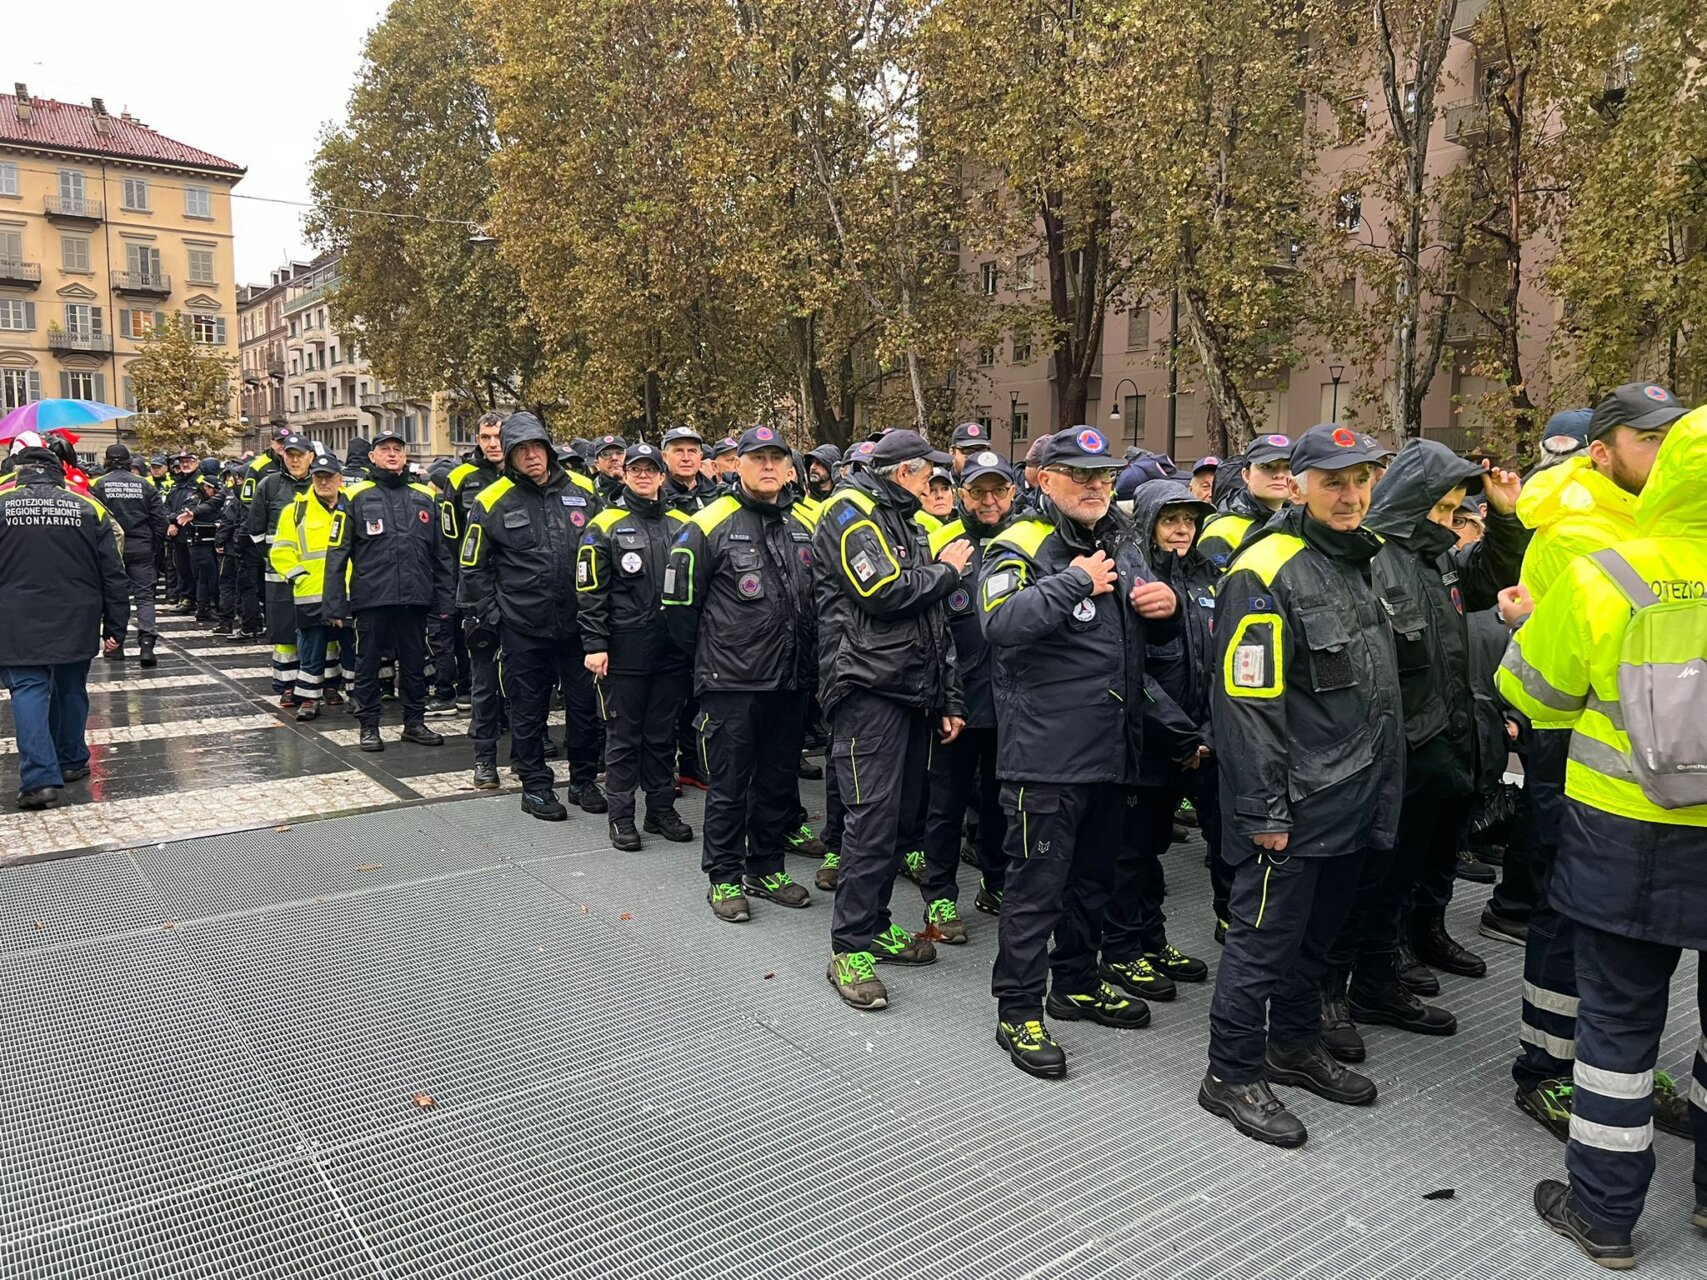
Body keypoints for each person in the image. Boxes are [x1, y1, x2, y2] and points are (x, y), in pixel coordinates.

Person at [1496, 407, 1707, 1271]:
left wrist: (1521, 623)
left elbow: (1533, 694)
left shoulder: (1607, 573)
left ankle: (1604, 1214)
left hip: (1625, 832)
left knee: (1617, 1027)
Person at [1199, 424, 1402, 1147]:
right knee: (1261, 943)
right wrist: (1263, 810)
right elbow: (1245, 703)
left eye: (1359, 480)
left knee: (1315, 943)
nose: (1349, 495)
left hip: (1352, 795)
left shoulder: (1363, 558)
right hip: (1291, 804)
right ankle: (1229, 1071)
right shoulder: (1265, 567)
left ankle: (1290, 1045)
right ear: (1298, 484)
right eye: (1332, 482)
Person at [1314, 439, 1527, 1062]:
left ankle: (1377, 980)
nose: (1448, 521)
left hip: (1438, 747)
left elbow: (1489, 578)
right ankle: (1331, 993)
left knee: (1399, 879)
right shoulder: (1376, 558)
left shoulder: (1435, 561)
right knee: (1362, 884)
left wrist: (1506, 518)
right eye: (1440, 509)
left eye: (1455, 511)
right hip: (1388, 752)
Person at [979, 426, 1179, 1076]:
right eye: (1078, 475)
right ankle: (1017, 1012)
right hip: (1043, 759)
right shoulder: (1021, 543)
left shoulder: (1118, 541)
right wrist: (1070, 583)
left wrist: (1166, 608)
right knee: (1036, 890)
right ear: (1041, 479)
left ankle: (1074, 984)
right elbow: (999, 624)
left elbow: (1143, 639)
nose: (1095, 486)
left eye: (1102, 476)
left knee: (1090, 886)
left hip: (1109, 753)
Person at [813, 429, 970, 1010]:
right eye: (928, 472)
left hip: (909, 688)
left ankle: (875, 923)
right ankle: (849, 947)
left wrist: (948, 696)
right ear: (903, 471)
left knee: (900, 817)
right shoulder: (851, 511)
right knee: (870, 820)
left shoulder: (901, 518)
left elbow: (932, 621)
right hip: (867, 689)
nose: (935, 482)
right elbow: (881, 590)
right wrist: (949, 570)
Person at [663, 426, 817, 926]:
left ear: (790, 469)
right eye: (758, 458)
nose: (769, 467)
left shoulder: (802, 524)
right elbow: (680, 607)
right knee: (729, 785)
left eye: (778, 458)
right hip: (732, 682)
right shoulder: (708, 524)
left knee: (776, 782)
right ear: (737, 465)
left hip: (790, 680)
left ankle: (766, 867)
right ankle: (725, 876)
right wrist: (716, 657)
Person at [1103, 478, 1221, 1000]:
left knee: (1151, 850)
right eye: (1171, 520)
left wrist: (1205, 736)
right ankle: (1122, 949)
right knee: (1130, 851)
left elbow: (1220, 663)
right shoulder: (1133, 573)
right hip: (1147, 740)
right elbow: (1134, 671)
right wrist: (1179, 735)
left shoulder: (1206, 576)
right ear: (1149, 523)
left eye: (1190, 521)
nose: (1182, 531)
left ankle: (1150, 939)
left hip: (1193, 742)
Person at [460, 412, 606, 818]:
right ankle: (536, 785)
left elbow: (601, 553)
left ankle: (583, 780)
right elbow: (472, 567)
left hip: (578, 624)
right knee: (527, 708)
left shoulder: (584, 490)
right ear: (508, 456)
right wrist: (494, 617)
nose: (531, 456)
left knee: (583, 708)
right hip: (522, 626)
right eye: (520, 450)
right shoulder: (490, 501)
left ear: (548, 448)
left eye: (536, 447)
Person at [917, 450, 1015, 940]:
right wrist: (942, 700)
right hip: (955, 705)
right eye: (978, 491)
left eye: (998, 491)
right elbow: (927, 634)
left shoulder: (1025, 546)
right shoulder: (940, 546)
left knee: (1001, 803)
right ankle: (939, 898)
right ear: (962, 496)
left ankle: (995, 883)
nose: (989, 500)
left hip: (1011, 706)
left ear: (1013, 494)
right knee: (946, 806)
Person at [577, 441, 695, 847]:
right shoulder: (604, 524)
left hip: (671, 648)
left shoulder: (682, 523)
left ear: (662, 476)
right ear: (624, 474)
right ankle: (621, 816)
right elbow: (591, 590)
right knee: (624, 737)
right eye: (636, 469)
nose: (643, 475)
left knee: (663, 736)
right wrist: (595, 643)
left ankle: (660, 811)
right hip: (624, 647)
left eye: (651, 469)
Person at [0, 439, 128, 808]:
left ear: (19, 471)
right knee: (71, 686)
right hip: (77, 614)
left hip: (15, 616)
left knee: (28, 689)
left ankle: (39, 779)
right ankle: (71, 759)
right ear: (60, 471)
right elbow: (113, 572)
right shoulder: (88, 507)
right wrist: (116, 625)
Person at [323, 427, 455, 752]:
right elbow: (336, 553)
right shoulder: (354, 496)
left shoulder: (424, 496)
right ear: (372, 456)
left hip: (415, 597)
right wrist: (335, 604)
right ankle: (369, 725)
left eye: (397, 448)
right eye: (384, 449)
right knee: (367, 664)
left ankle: (414, 722)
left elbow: (442, 554)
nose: (392, 453)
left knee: (415, 663)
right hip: (372, 597)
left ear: (405, 455)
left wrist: (446, 600)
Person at [443, 412, 507, 785]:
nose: (492, 443)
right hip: (480, 592)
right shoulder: (459, 478)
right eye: (485, 437)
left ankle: (531, 746)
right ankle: (484, 757)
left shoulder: (525, 478)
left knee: (527, 680)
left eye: (498, 436)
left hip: (523, 593)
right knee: (483, 680)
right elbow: (452, 537)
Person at [270, 453, 348, 721]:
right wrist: (299, 576)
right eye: (319, 477)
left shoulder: (352, 507)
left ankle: (357, 695)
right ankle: (309, 698)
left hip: (348, 592)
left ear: (340, 479)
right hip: (310, 593)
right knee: (311, 651)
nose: (324, 482)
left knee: (352, 648)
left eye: (329, 477)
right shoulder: (296, 510)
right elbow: (280, 551)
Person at [249, 434, 316, 708]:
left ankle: (323, 683)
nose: (295, 460)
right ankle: (287, 685)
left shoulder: (321, 482)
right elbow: (255, 530)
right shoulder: (270, 485)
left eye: (300, 454)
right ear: (282, 456)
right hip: (280, 577)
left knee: (319, 631)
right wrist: (276, 560)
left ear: (311, 455)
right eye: (290, 455)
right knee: (285, 632)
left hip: (315, 577)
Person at [91, 443, 167, 668]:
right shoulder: (145, 485)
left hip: (110, 549)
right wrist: (154, 547)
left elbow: (93, 520)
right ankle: (146, 644)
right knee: (145, 597)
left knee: (114, 596)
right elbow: (160, 521)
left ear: (106, 461)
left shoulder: (97, 486)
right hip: (141, 547)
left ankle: (116, 644)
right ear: (129, 461)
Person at [1198, 435, 1291, 571]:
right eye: (1267, 466)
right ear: (1246, 475)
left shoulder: (1300, 524)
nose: (1279, 475)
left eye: (1288, 466)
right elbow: (1212, 588)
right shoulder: (1221, 530)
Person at [659, 426, 716, 513]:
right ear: (665, 457)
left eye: (692, 451)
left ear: (700, 457)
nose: (686, 458)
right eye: (678, 451)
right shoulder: (655, 498)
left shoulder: (716, 495)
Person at [591, 434, 627, 502]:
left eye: (619, 453)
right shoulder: (590, 492)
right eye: (606, 454)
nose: (614, 458)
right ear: (597, 464)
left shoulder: (642, 487)